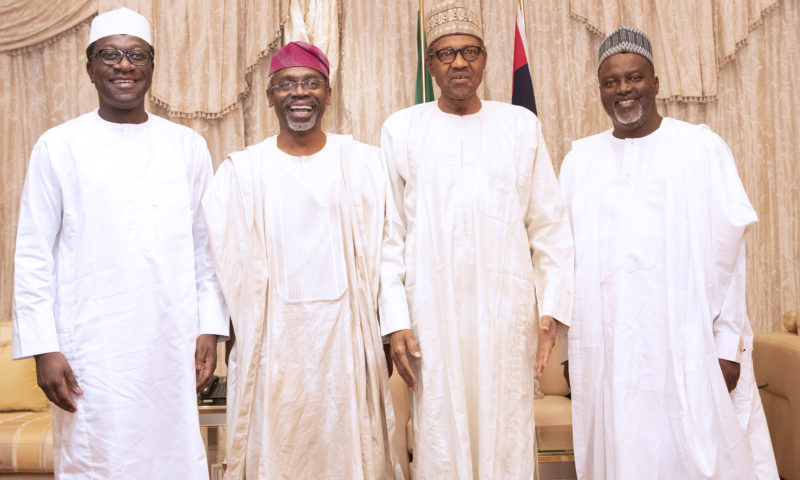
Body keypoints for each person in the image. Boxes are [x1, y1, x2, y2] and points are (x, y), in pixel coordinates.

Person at [11, 7, 229, 479]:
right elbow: (33, 254)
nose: (123, 65)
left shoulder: (186, 146)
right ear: (90, 67)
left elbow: (205, 248)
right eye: (110, 54)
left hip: (168, 344)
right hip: (92, 347)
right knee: (98, 461)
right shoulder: (58, 145)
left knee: (173, 459)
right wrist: (43, 347)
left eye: (136, 55)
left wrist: (209, 328)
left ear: (152, 66)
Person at [560, 26, 779, 480]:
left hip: (690, 348)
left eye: (634, 77)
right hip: (612, 354)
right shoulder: (580, 162)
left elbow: (730, 256)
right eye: (610, 81)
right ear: (600, 89)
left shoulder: (700, 148)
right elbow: (565, 261)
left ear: (656, 82)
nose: (623, 90)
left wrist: (728, 344)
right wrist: (569, 351)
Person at [379, 1, 574, 477]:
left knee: (505, 430)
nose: (459, 63)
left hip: (504, 316)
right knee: (441, 434)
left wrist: (551, 310)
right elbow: (388, 236)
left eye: (470, 52)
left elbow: (548, 225)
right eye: (446, 54)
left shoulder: (520, 126)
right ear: (430, 64)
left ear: (485, 58)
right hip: (432, 316)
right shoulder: (401, 129)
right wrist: (396, 320)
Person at [202, 41, 397, 479]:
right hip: (272, 349)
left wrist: (388, 332)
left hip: (346, 345)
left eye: (311, 83)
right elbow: (217, 264)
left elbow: (389, 252)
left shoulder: (365, 165)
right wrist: (215, 336)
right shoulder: (242, 173)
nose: (299, 93)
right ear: (270, 95)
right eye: (286, 84)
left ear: (329, 93)